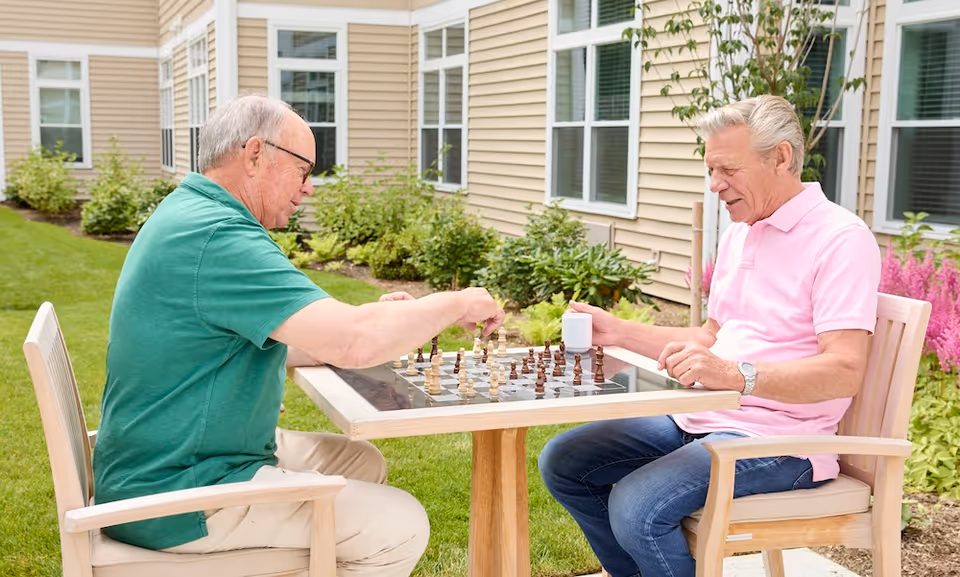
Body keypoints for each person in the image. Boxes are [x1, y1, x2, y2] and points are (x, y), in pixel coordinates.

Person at [92, 95, 505, 576]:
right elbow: (354, 344)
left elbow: (296, 338)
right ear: (253, 154)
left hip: (172, 459)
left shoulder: (191, 214)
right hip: (179, 492)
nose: (308, 189)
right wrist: (457, 302)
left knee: (359, 462)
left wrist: (377, 320)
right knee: (402, 525)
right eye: (304, 170)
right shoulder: (218, 236)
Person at [538, 95, 881, 577]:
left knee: (638, 507)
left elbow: (845, 370)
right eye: (711, 169)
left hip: (782, 440)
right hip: (705, 416)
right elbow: (711, 336)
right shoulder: (742, 229)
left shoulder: (840, 239)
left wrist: (733, 375)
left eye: (728, 170)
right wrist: (616, 331)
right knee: (566, 459)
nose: (716, 184)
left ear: (780, 158)